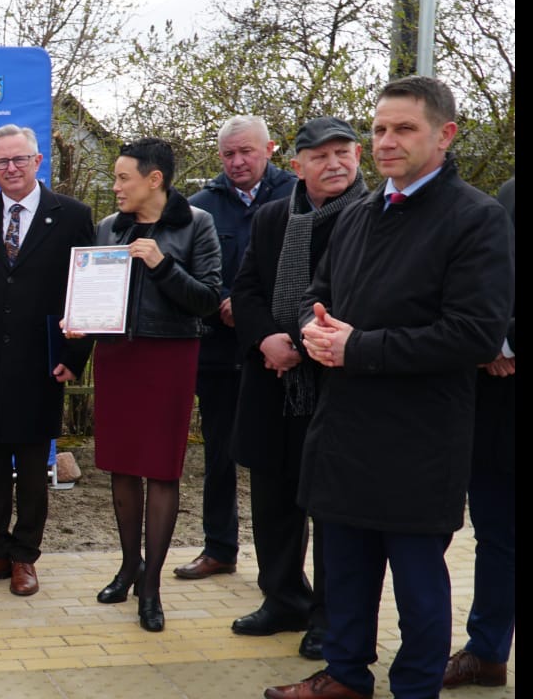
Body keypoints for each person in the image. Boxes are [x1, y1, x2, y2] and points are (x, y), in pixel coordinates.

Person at [266, 76, 513, 699]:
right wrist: (312, 329)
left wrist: (357, 348)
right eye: (378, 129)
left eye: (403, 129)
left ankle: (415, 688)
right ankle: (346, 676)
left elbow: (474, 335)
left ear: (444, 134)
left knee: (417, 584)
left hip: (420, 437)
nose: (385, 142)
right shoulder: (357, 213)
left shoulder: (476, 218)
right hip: (344, 429)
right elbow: (313, 293)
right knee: (344, 571)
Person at [230, 117, 367, 660]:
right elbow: (246, 288)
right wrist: (267, 338)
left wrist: (305, 341)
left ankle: (331, 618)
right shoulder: (270, 218)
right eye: (320, 155)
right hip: (273, 381)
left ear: (359, 156)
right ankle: (283, 597)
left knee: (332, 508)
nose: (334, 164)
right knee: (272, 496)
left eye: (343, 152)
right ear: (296, 165)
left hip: (338, 384)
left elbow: (369, 298)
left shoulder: (372, 217)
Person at [0, 124, 93, 597]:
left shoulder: (71, 215)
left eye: (19, 160)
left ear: (37, 161)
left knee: (31, 467)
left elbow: (84, 293)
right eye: (1, 162)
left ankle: (25, 556)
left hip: (41, 362)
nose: (11, 168)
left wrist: (74, 356)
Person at [79, 138, 221, 632]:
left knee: (161, 471)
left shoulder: (196, 224)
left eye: (123, 178)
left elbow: (207, 299)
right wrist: (82, 321)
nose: (115, 187)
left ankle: (153, 586)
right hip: (119, 356)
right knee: (121, 467)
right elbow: (98, 295)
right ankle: (129, 565)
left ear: (154, 179)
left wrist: (162, 264)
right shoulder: (107, 227)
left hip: (170, 355)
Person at [178, 116, 295, 582]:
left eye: (246, 151)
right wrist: (222, 302)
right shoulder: (198, 208)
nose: (238, 162)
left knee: (285, 462)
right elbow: (189, 275)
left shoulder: (297, 198)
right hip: (221, 353)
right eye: (228, 154)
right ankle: (219, 547)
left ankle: (287, 568)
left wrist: (256, 316)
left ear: (270, 148)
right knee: (219, 456)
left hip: (286, 354)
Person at [441, 176, 515, 690]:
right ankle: (487, 651)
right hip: (500, 400)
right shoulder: (507, 196)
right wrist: (494, 338)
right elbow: (486, 281)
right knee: (498, 534)